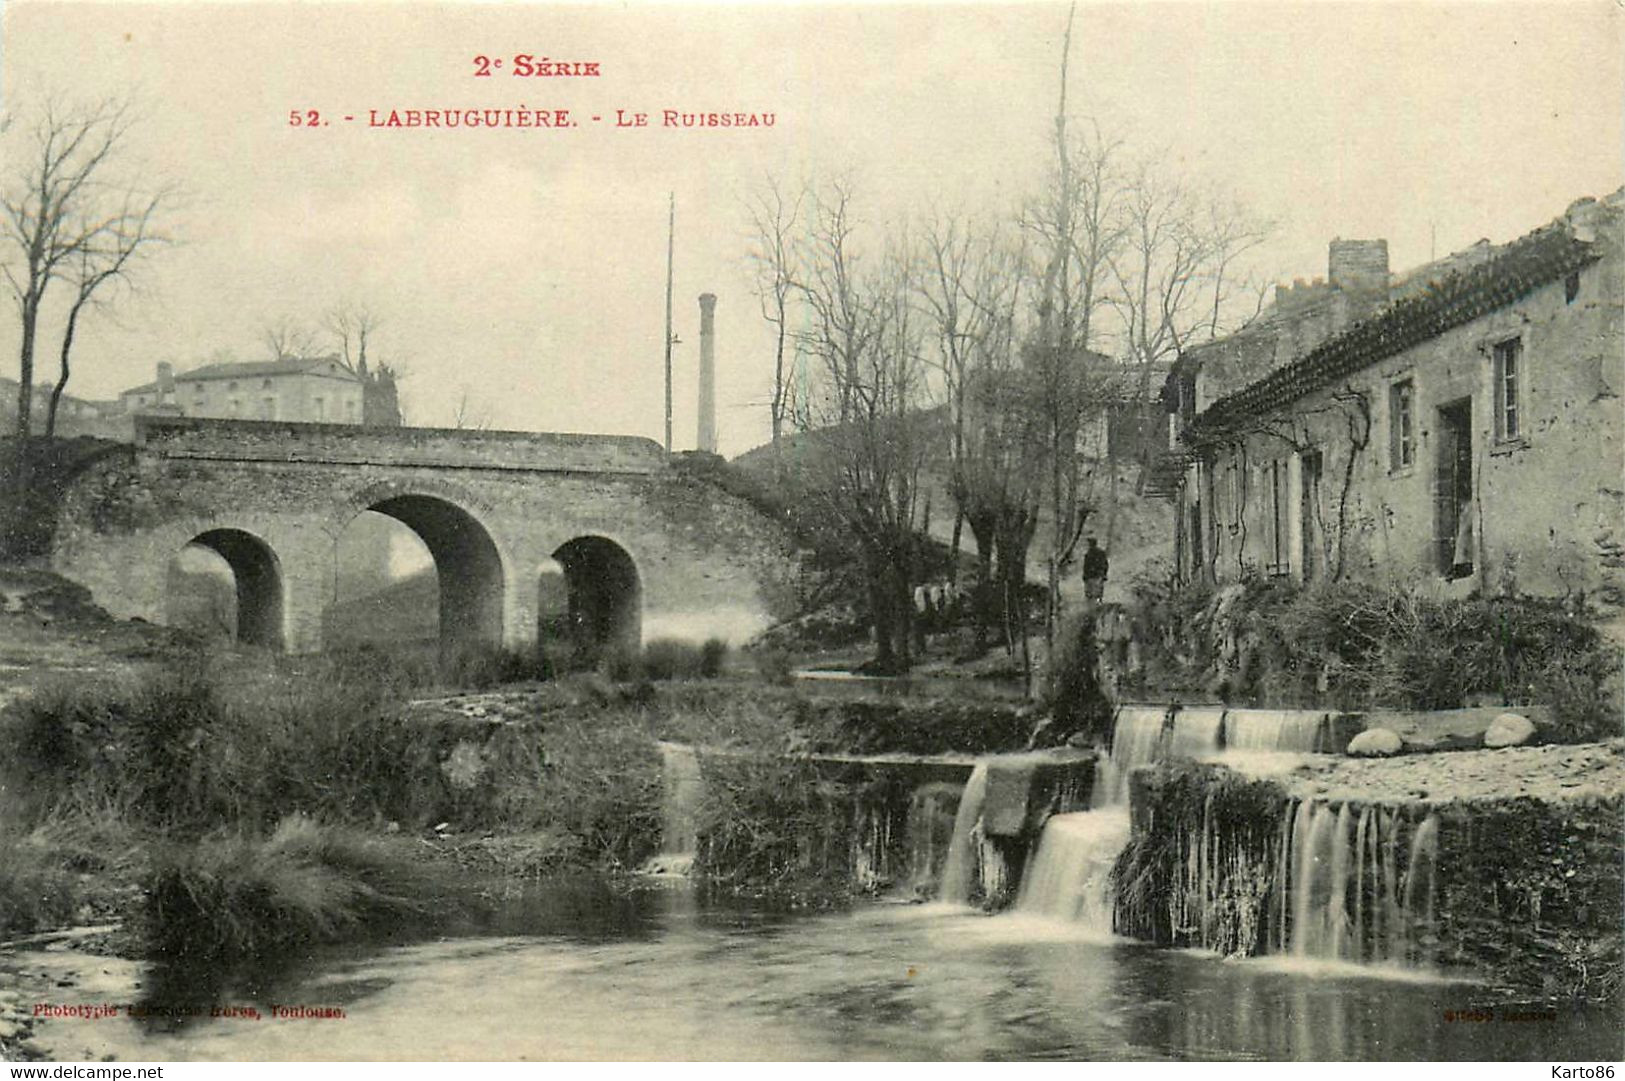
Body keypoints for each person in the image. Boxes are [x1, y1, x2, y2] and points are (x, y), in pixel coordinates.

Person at [1081, 536, 1109, 606]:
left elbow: (1086, 566)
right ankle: (1095, 604)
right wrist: (1104, 574)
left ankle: (1092, 605)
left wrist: (1085, 575)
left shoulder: (1089, 554)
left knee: (1092, 592)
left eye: (1090, 543)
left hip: (1093, 576)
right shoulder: (1099, 553)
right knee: (1096, 592)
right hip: (1095, 575)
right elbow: (1105, 564)